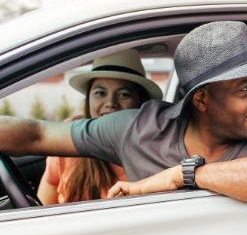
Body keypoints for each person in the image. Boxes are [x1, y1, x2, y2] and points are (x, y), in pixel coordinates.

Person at [1, 21, 247, 204]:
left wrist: (181, 175)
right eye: (245, 87)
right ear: (202, 99)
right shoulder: (138, 129)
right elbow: (37, 133)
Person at [36, 49, 163, 205]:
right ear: (88, 99)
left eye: (124, 94)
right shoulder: (66, 144)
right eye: (100, 93)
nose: (111, 103)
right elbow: (41, 211)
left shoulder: (155, 151)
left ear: (141, 103)